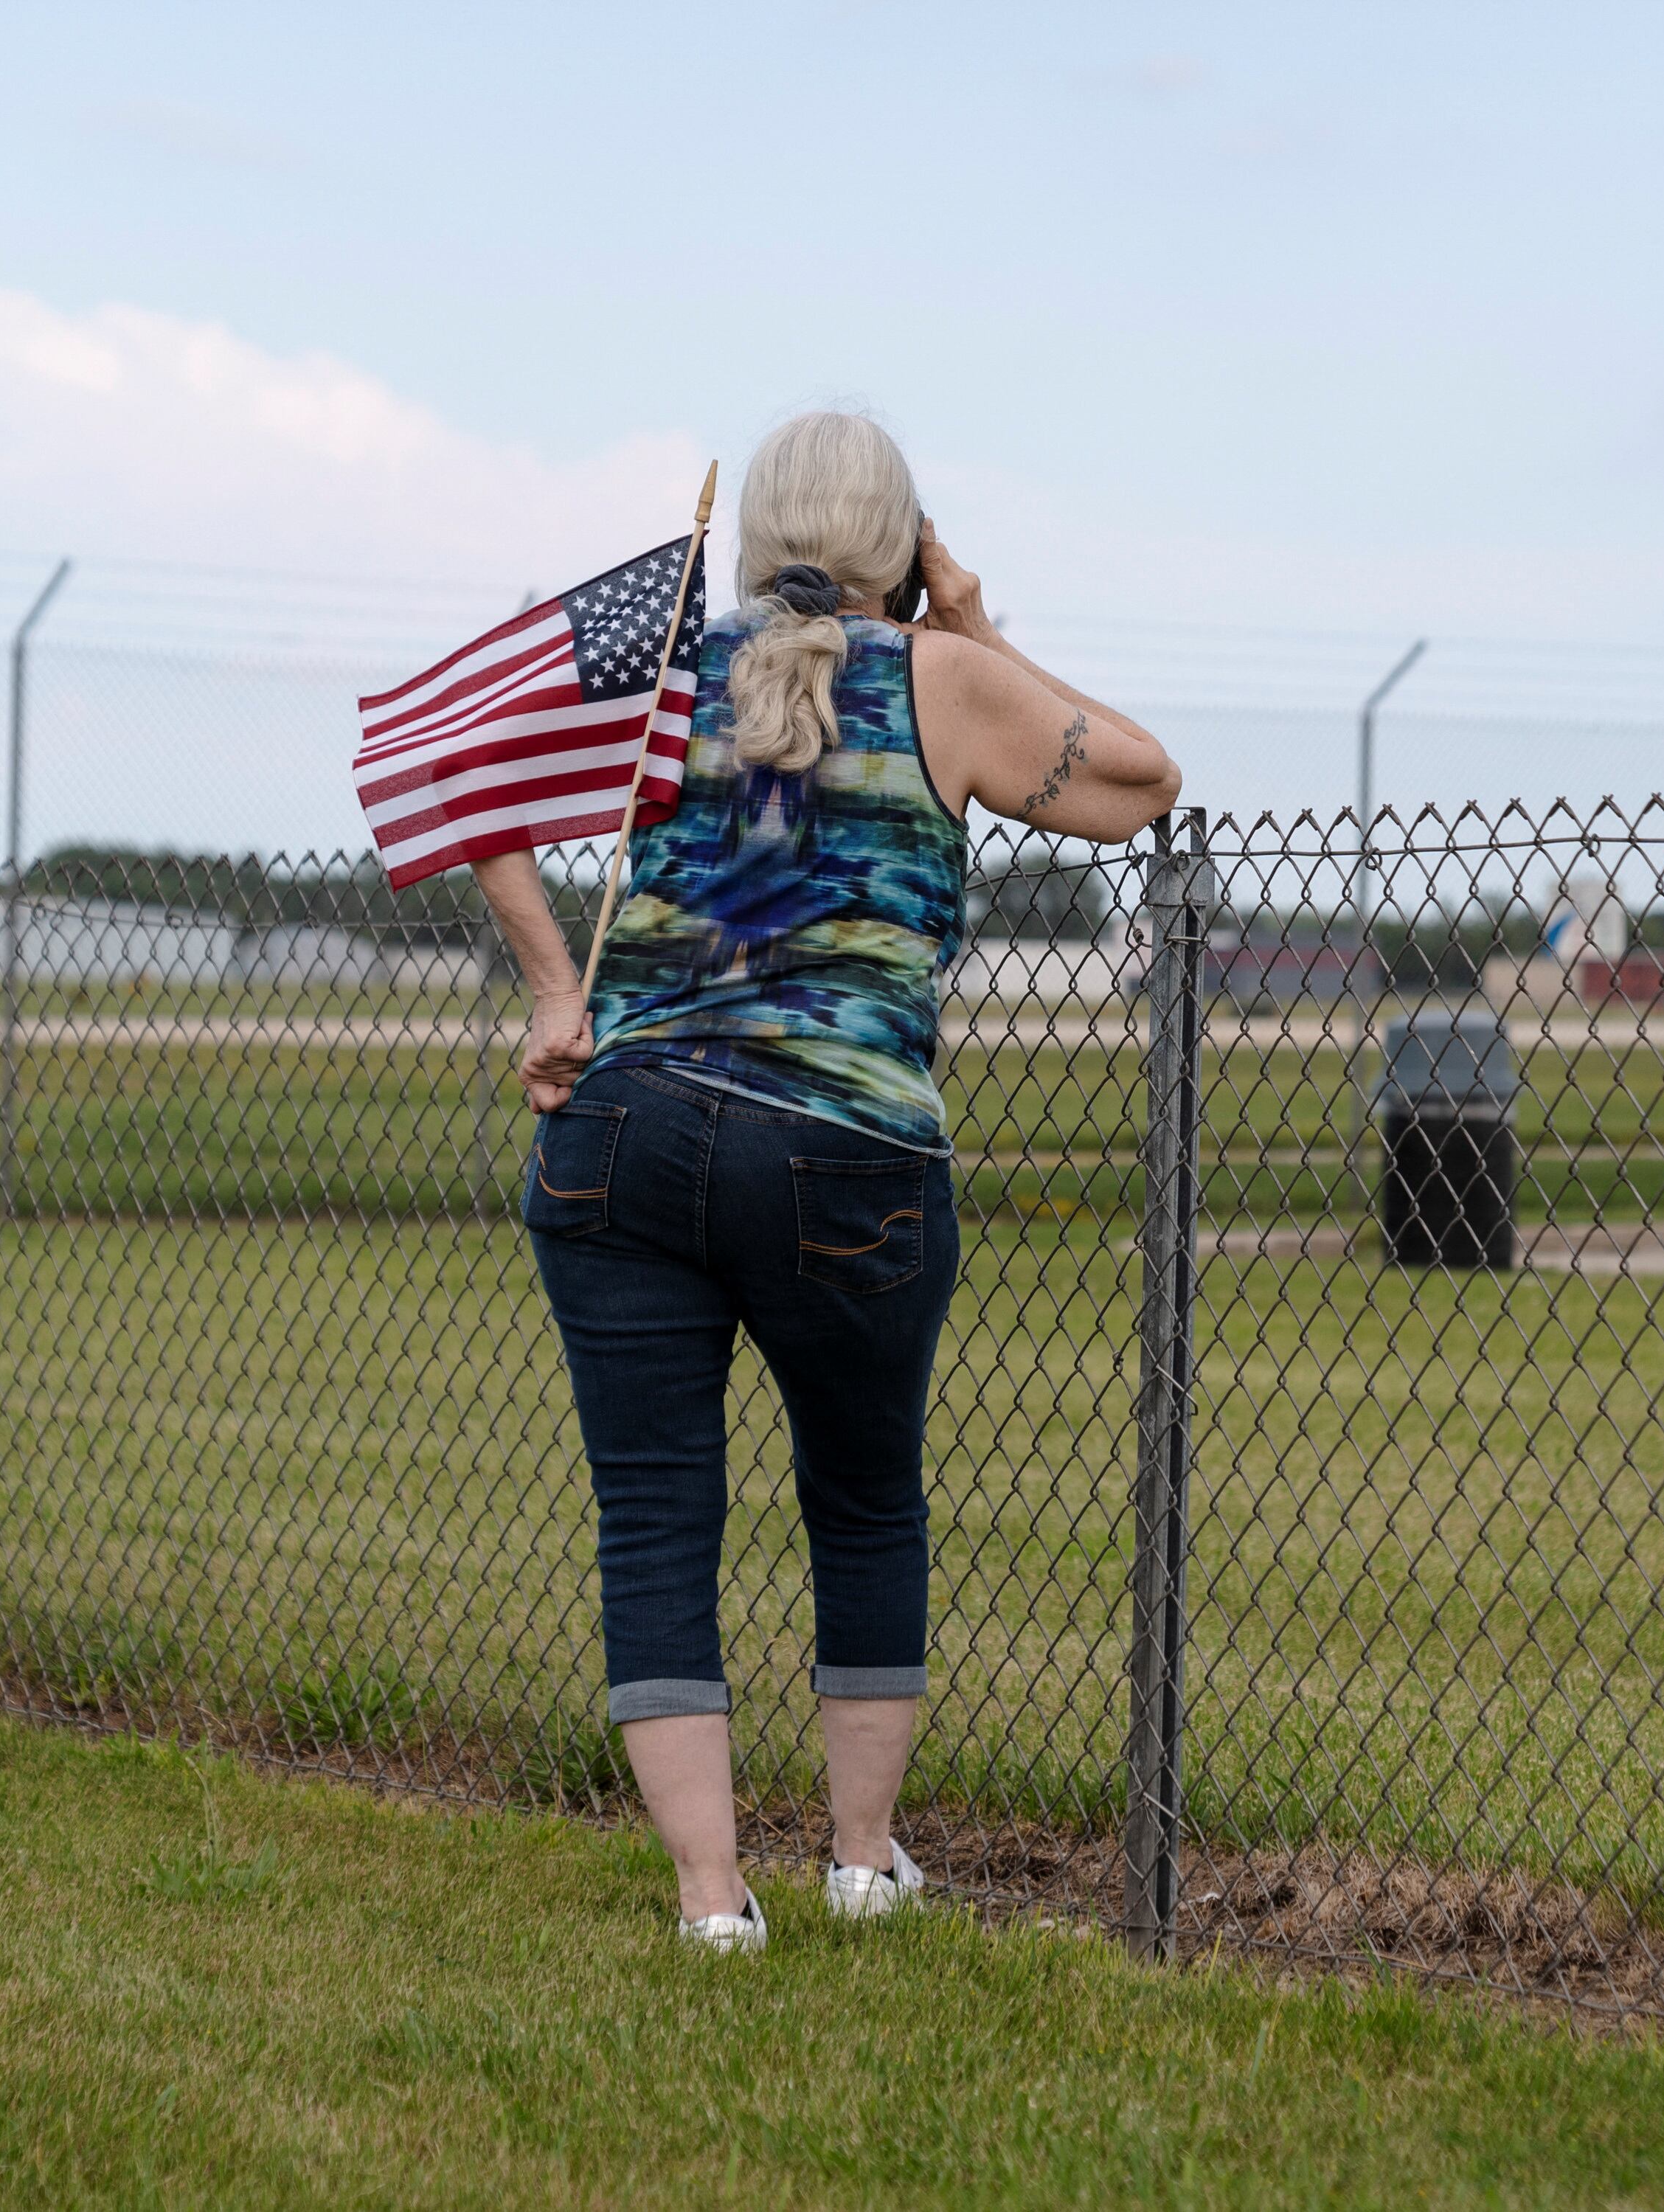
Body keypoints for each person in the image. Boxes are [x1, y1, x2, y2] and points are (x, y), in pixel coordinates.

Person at [470, 411, 1182, 1952]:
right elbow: (1142, 783)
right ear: (902, 545)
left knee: (653, 1520)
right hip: (846, 1148)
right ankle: (860, 1862)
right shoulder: (944, 679)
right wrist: (979, 620)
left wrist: (551, 990)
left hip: (624, 1135)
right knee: (862, 1501)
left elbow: (467, 779)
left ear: (752, 539)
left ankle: (710, 1898)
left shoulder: (661, 669)